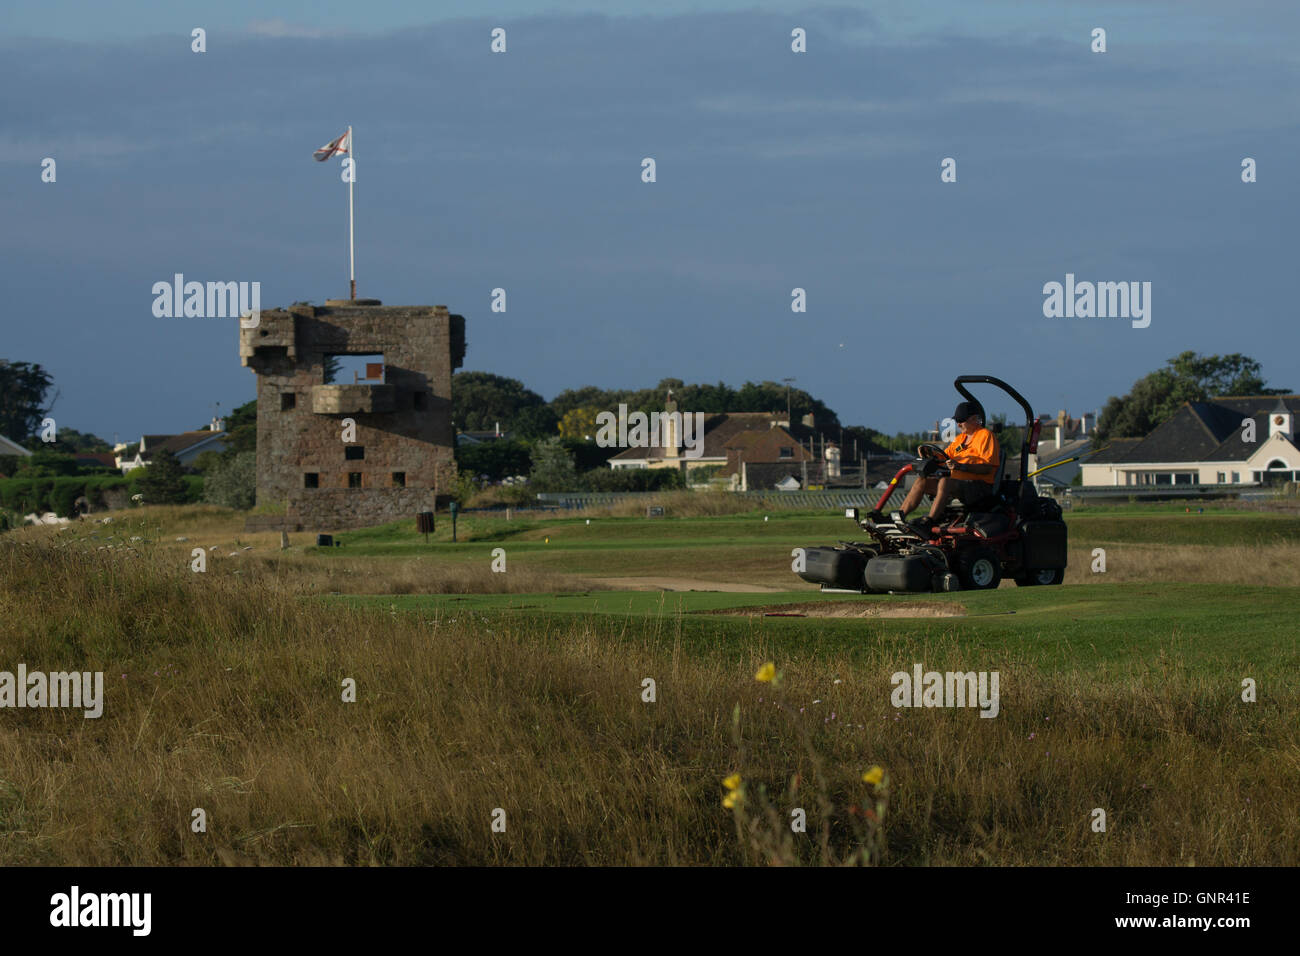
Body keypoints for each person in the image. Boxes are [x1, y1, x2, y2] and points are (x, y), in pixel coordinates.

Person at [899, 401, 1000, 535]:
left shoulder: (986, 436)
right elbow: (944, 458)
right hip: (958, 486)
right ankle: (899, 519)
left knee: (945, 482)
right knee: (921, 481)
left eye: (961, 421)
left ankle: (929, 521)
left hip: (980, 487)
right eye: (957, 421)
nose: (958, 424)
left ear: (974, 419)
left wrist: (962, 467)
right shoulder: (960, 440)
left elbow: (987, 469)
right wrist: (928, 454)